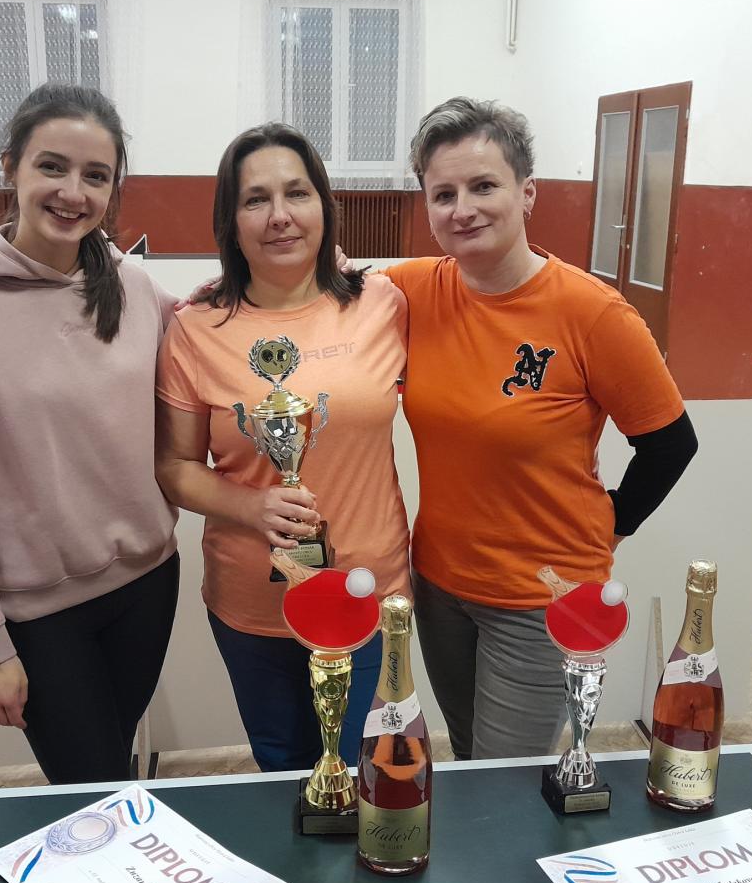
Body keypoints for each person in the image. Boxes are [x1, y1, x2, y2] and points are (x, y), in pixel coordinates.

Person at [378, 97, 698, 761]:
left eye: (483, 186)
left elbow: (671, 443)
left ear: (527, 193)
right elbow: (321, 293)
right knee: (471, 758)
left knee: (505, 779)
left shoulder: (593, 313)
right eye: (443, 194)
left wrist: (609, 526)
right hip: (439, 586)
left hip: (542, 597)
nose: (462, 208)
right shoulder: (411, 290)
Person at [0, 84, 179, 785]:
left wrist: (315, 278)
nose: (73, 192)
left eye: (96, 176)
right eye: (52, 167)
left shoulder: (135, 287)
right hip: (40, 618)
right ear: (11, 167)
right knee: (91, 789)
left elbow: (223, 324)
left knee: (108, 775)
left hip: (148, 586)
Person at [154, 123, 409, 772]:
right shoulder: (195, 328)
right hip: (252, 602)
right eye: (255, 199)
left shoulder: (383, 303)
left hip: (366, 591)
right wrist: (252, 506)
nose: (279, 215)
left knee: (364, 772)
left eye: (297, 193)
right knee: (281, 770)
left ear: (324, 204)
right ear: (230, 221)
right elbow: (175, 467)